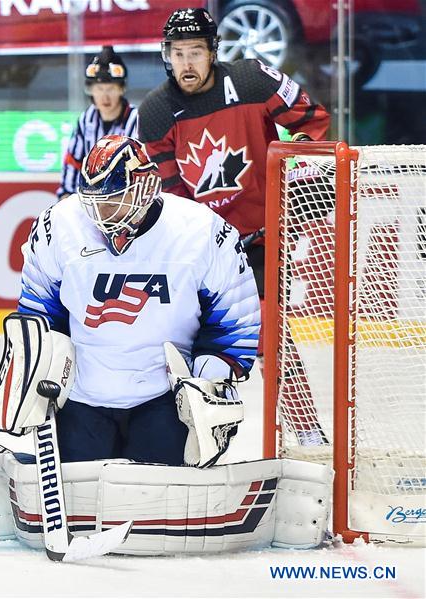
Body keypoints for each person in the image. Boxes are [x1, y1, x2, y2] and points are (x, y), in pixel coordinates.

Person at [18, 134, 260, 463]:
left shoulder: (201, 230)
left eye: (114, 198)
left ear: (143, 188)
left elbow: (236, 312)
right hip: (80, 400)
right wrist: (32, 372)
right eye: (94, 200)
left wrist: (210, 382)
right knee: (84, 508)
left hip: (166, 402)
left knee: (159, 505)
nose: (101, 211)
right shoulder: (58, 225)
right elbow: (37, 311)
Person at [137, 7, 329, 353]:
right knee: (191, 348)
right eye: (177, 54)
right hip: (209, 246)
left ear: (213, 51)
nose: (186, 64)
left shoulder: (252, 80)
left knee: (268, 342)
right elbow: (173, 196)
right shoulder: (155, 112)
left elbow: (312, 120)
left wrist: (296, 168)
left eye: (195, 52)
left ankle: (295, 409)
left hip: (265, 238)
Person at [58, 46, 137, 200]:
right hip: (88, 203)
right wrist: (66, 199)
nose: (104, 96)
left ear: (122, 89)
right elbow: (73, 162)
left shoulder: (136, 120)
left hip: (126, 203)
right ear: (91, 90)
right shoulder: (86, 120)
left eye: (111, 88)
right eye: (99, 88)